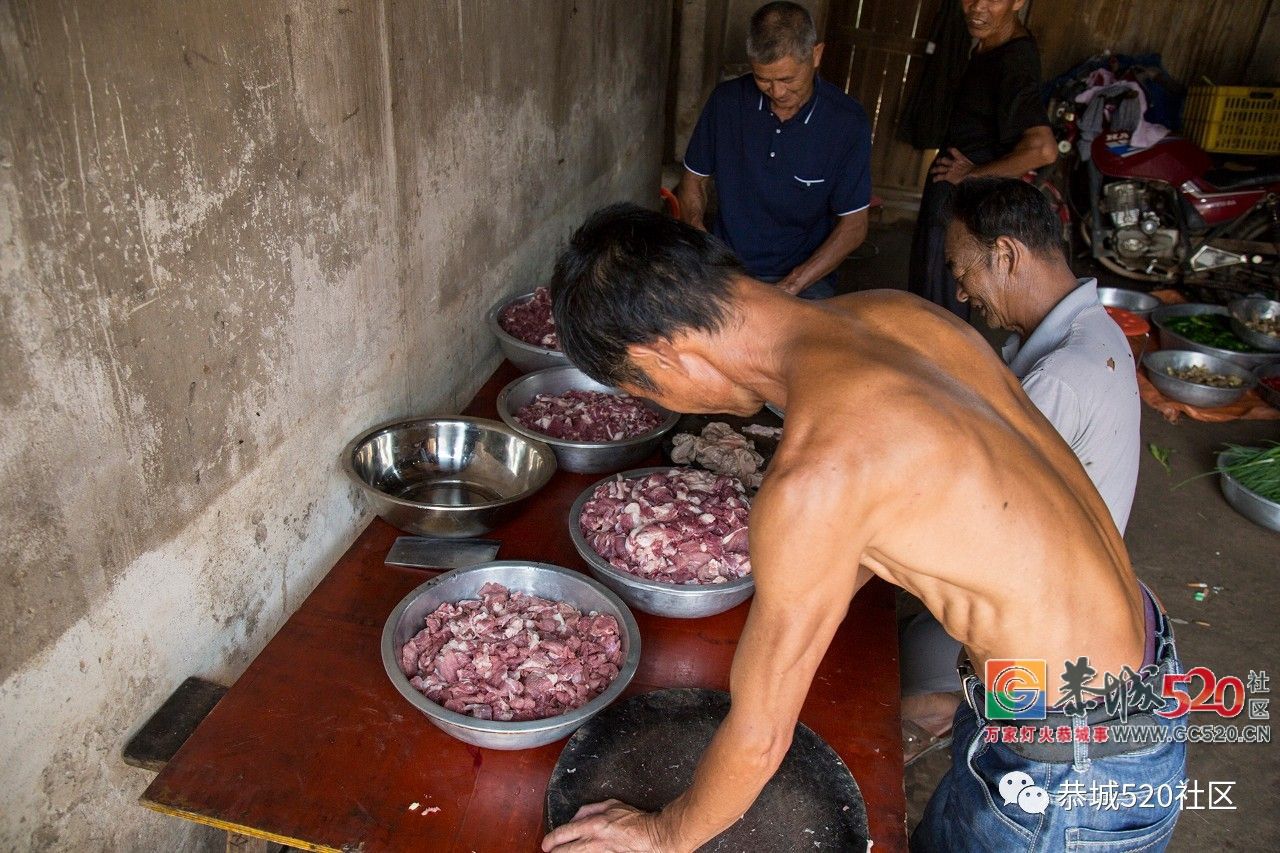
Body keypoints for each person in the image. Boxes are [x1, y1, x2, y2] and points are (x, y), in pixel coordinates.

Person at [540, 204, 1184, 853]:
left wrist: (662, 832)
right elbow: (916, 496)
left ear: (666, 357)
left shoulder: (818, 474)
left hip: (1073, 769)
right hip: (1130, 681)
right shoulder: (895, 314)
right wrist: (789, 602)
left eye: (644, 388)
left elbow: (762, 738)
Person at [899, 177, 1143, 762]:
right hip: (1081, 589)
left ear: (1006, 254)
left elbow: (972, 527)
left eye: (962, 270)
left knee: (895, 659)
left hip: (1057, 629)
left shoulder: (1061, 375)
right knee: (907, 628)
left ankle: (963, 717)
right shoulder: (1091, 328)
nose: (959, 292)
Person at [677, 1, 872, 300]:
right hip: (725, 267)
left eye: (787, 79)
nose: (777, 92)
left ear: (816, 55)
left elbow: (854, 227)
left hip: (805, 278)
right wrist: (698, 236)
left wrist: (790, 287)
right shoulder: (727, 103)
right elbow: (693, 180)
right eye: (763, 80)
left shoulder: (847, 123)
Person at [907, 0, 1058, 318]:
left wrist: (973, 173)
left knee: (940, 317)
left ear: (1018, 2)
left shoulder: (1015, 58)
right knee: (927, 306)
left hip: (960, 209)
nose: (977, 6)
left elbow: (1042, 148)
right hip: (949, 202)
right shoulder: (987, 48)